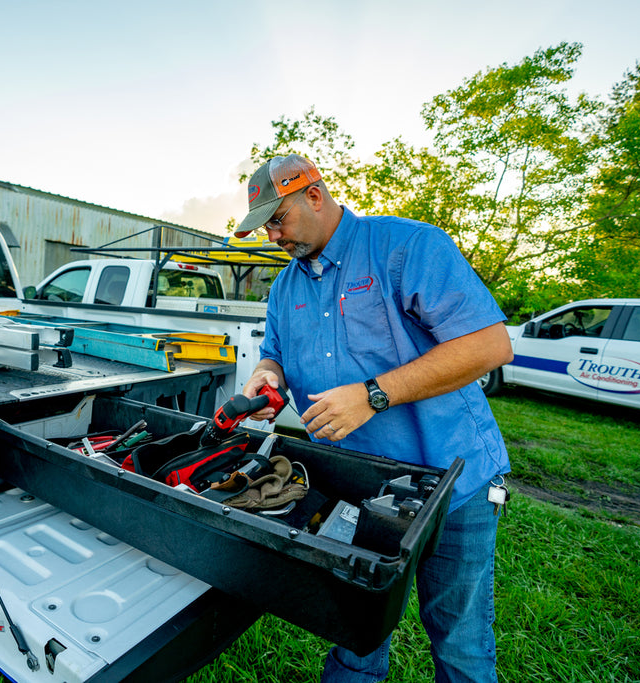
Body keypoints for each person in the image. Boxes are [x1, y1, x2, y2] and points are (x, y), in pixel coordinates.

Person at [235, 154, 513, 683]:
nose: (272, 236)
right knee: (354, 637)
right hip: (360, 488)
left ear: (314, 196)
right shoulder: (285, 288)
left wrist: (373, 396)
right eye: (265, 225)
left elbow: (490, 345)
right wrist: (267, 374)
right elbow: (274, 355)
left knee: (460, 639)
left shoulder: (408, 247)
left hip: (454, 481)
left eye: (278, 219)